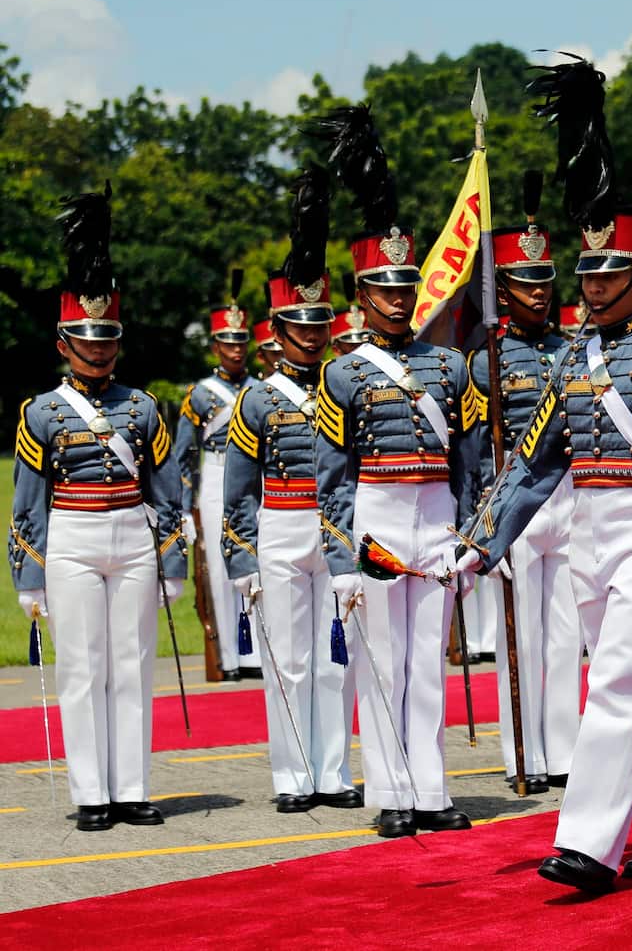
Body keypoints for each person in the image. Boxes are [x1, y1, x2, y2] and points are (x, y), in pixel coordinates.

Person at [453, 205, 632, 896]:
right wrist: (482, 541)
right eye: (586, 271)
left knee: (615, 680)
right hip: (589, 520)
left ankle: (588, 843)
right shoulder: (571, 356)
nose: (591, 285)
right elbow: (532, 463)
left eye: (609, 272)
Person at [312, 104, 477, 839]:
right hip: (377, 513)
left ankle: (434, 790)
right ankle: (391, 793)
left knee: (427, 658)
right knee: (381, 659)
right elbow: (332, 476)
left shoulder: (448, 365)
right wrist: (343, 557)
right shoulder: (343, 373)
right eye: (385, 289)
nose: (399, 299)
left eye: (407, 288)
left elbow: (471, 460)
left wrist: (472, 534)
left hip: (436, 514)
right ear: (361, 296)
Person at [10, 185, 186, 832]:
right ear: (64, 341)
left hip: (133, 538)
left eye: (108, 338)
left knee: (133, 665)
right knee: (81, 667)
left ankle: (133, 787)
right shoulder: (42, 412)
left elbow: (167, 494)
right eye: (89, 339)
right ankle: (92, 794)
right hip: (73, 537)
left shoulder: (142, 408)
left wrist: (172, 559)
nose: (101, 350)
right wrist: (27, 577)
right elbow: (28, 505)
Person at [223, 166, 359, 814]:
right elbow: (237, 493)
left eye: (318, 324)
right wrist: (242, 559)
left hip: (334, 530)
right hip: (279, 526)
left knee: (337, 658)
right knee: (289, 660)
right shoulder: (255, 399)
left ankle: (333, 772)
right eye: (297, 325)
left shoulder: (344, 384)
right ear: (276, 332)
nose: (310, 334)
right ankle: (291, 776)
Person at [462, 208, 582, 793]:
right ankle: (523, 755)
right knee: (523, 637)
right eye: (523, 282)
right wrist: (482, 527)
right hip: (515, 503)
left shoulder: (573, 348)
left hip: (571, 500)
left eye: (543, 280)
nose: (537, 292)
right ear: (501, 288)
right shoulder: (485, 356)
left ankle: (562, 751)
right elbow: (473, 450)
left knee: (566, 635)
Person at [175, 274, 258, 681]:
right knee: (221, 571)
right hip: (216, 472)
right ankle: (228, 656)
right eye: (228, 343)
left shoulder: (261, 389)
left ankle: (256, 655)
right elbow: (183, 453)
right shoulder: (199, 393)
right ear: (215, 347)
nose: (236, 351)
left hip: (255, 476)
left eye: (241, 343)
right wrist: (186, 508)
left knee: (257, 562)